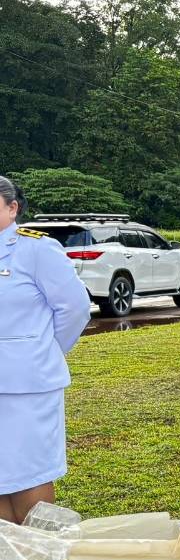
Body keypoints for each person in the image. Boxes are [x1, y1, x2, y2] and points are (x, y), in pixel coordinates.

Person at [0, 176, 91, 524]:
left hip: (29, 385)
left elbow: (75, 309)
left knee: (29, 474)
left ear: (12, 208)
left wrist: (43, 351)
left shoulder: (36, 250)